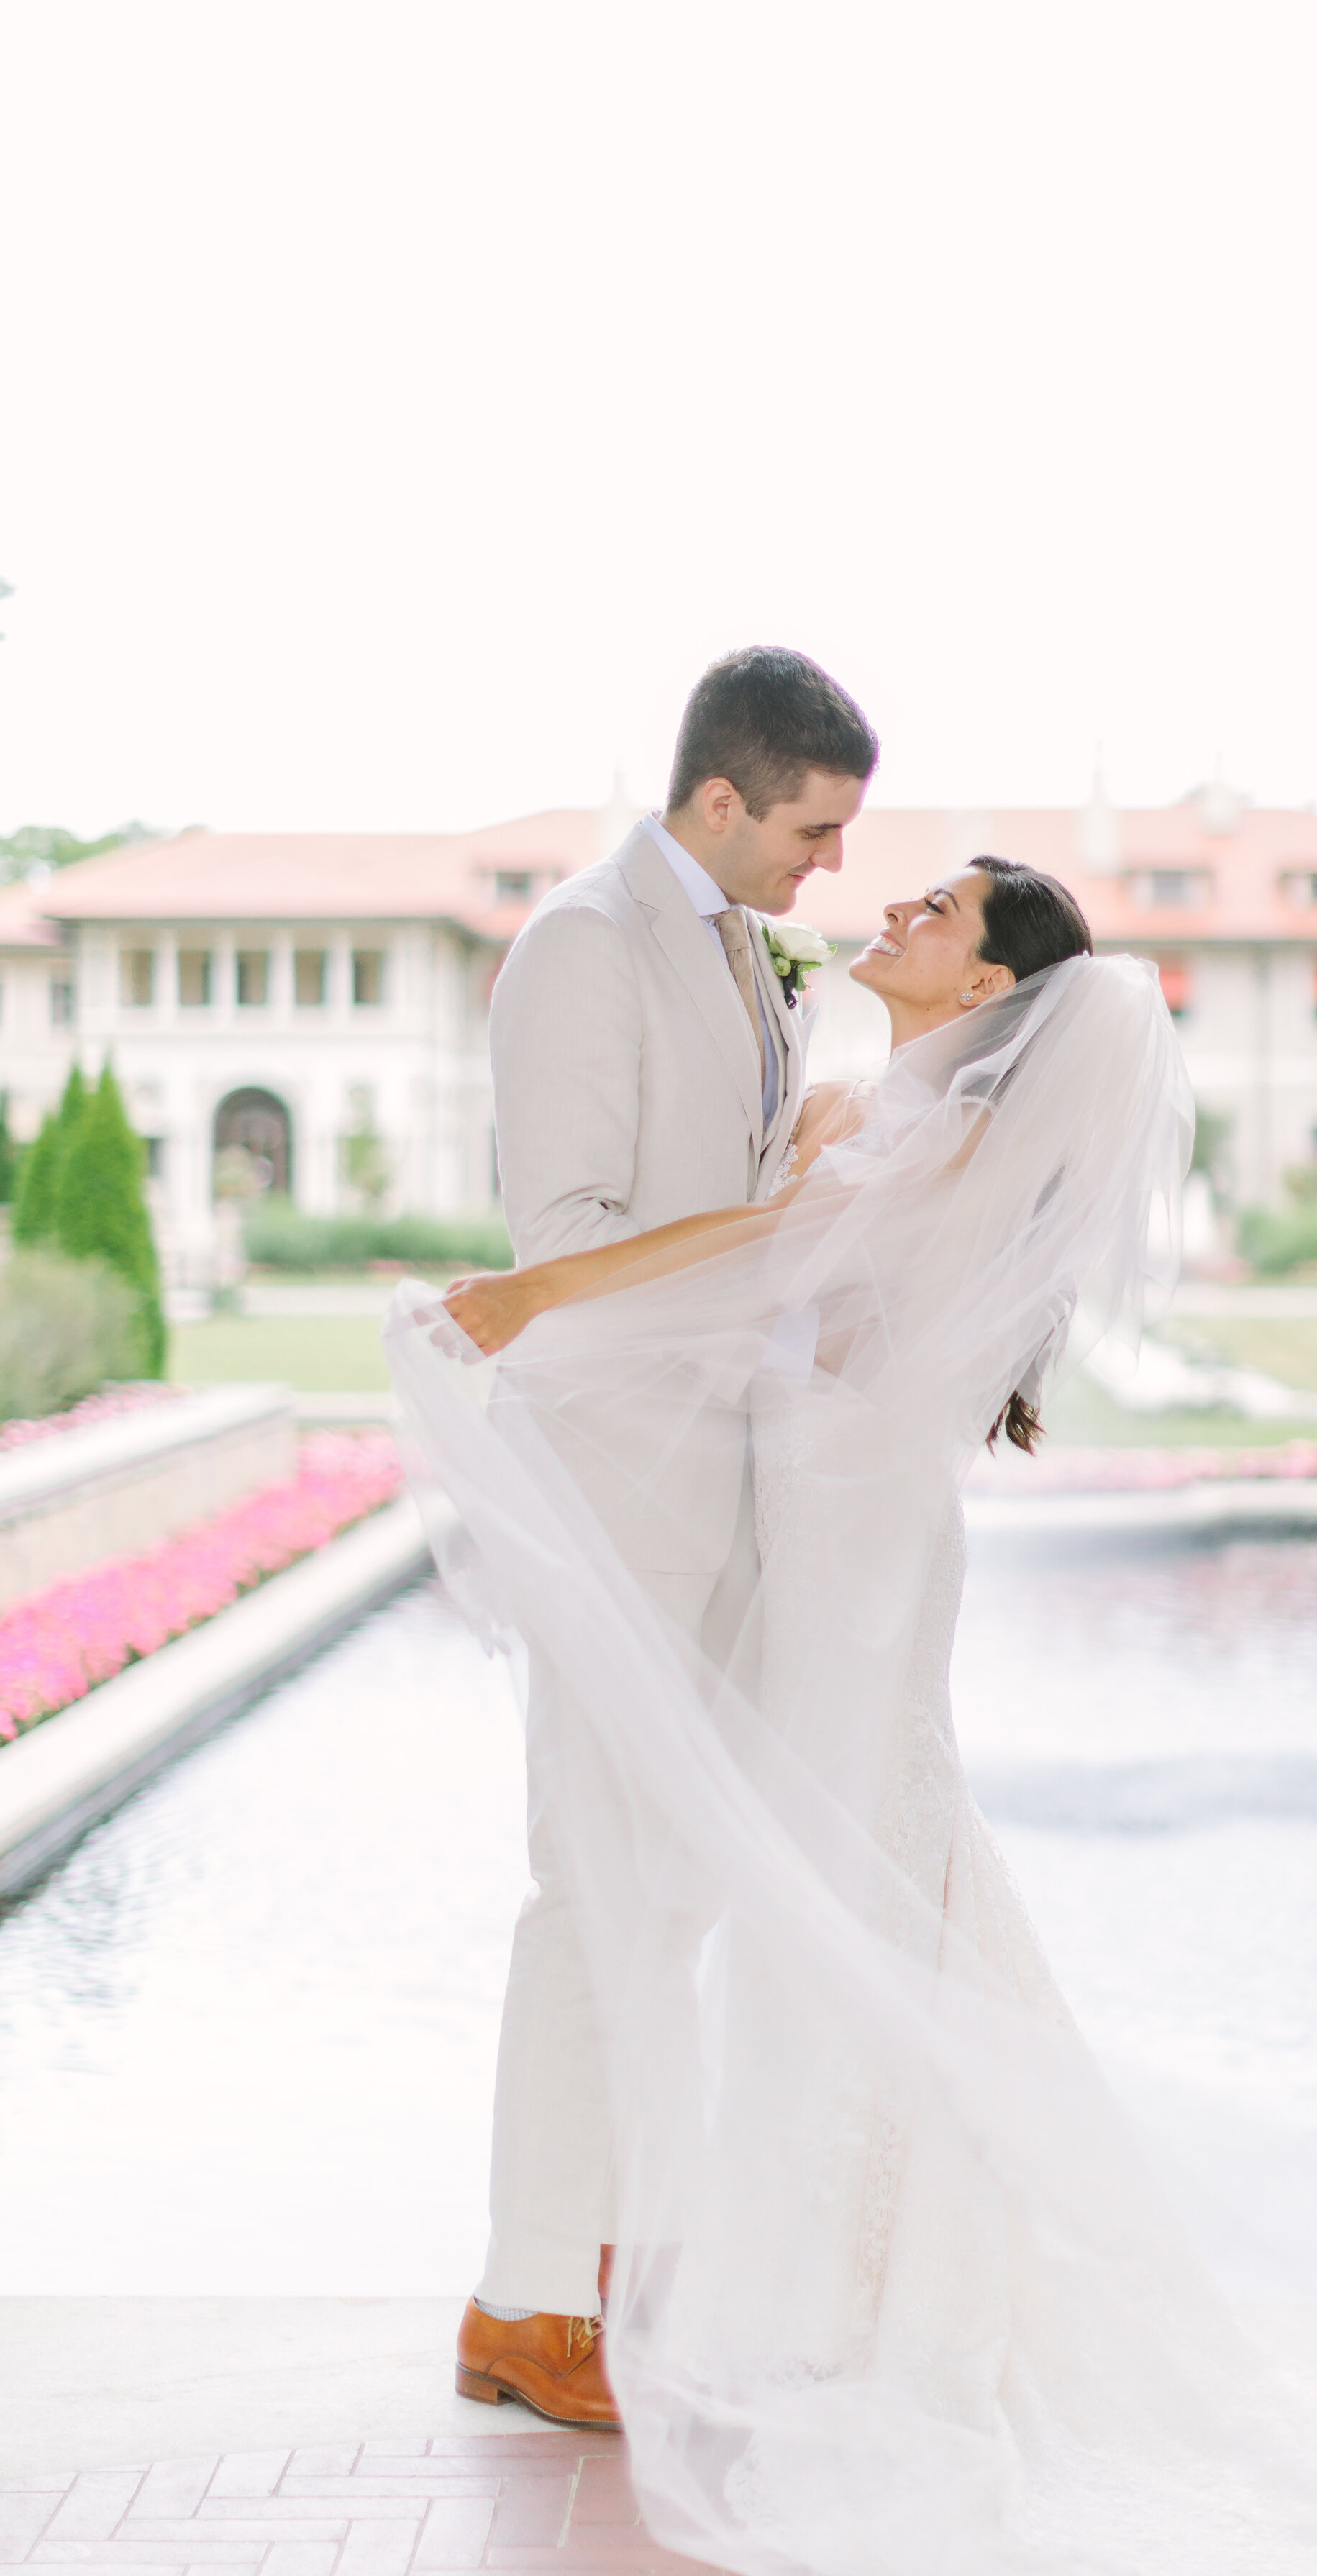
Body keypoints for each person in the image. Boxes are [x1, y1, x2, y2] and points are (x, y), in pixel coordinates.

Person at [389, 851, 1317, 2576]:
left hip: (851, 1557)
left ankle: (872, 2312)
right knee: (828, 1907)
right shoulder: (871, 1104)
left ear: (988, 990)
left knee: (855, 1886)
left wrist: (535, 1298)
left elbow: (760, 1263)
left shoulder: (949, 1149)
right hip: (798, 1535)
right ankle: (810, 2288)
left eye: (932, 909)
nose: (894, 906)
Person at [444, 644, 878, 2426]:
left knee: (677, 1887)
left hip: (721, 1482)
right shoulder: (584, 947)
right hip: (617, 1482)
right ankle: (525, 2301)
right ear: (717, 798)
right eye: (810, 829)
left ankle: (617, 2251)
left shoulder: (737, 952)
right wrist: (782, 1227)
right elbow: (559, 1251)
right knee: (591, 1885)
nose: (828, 869)